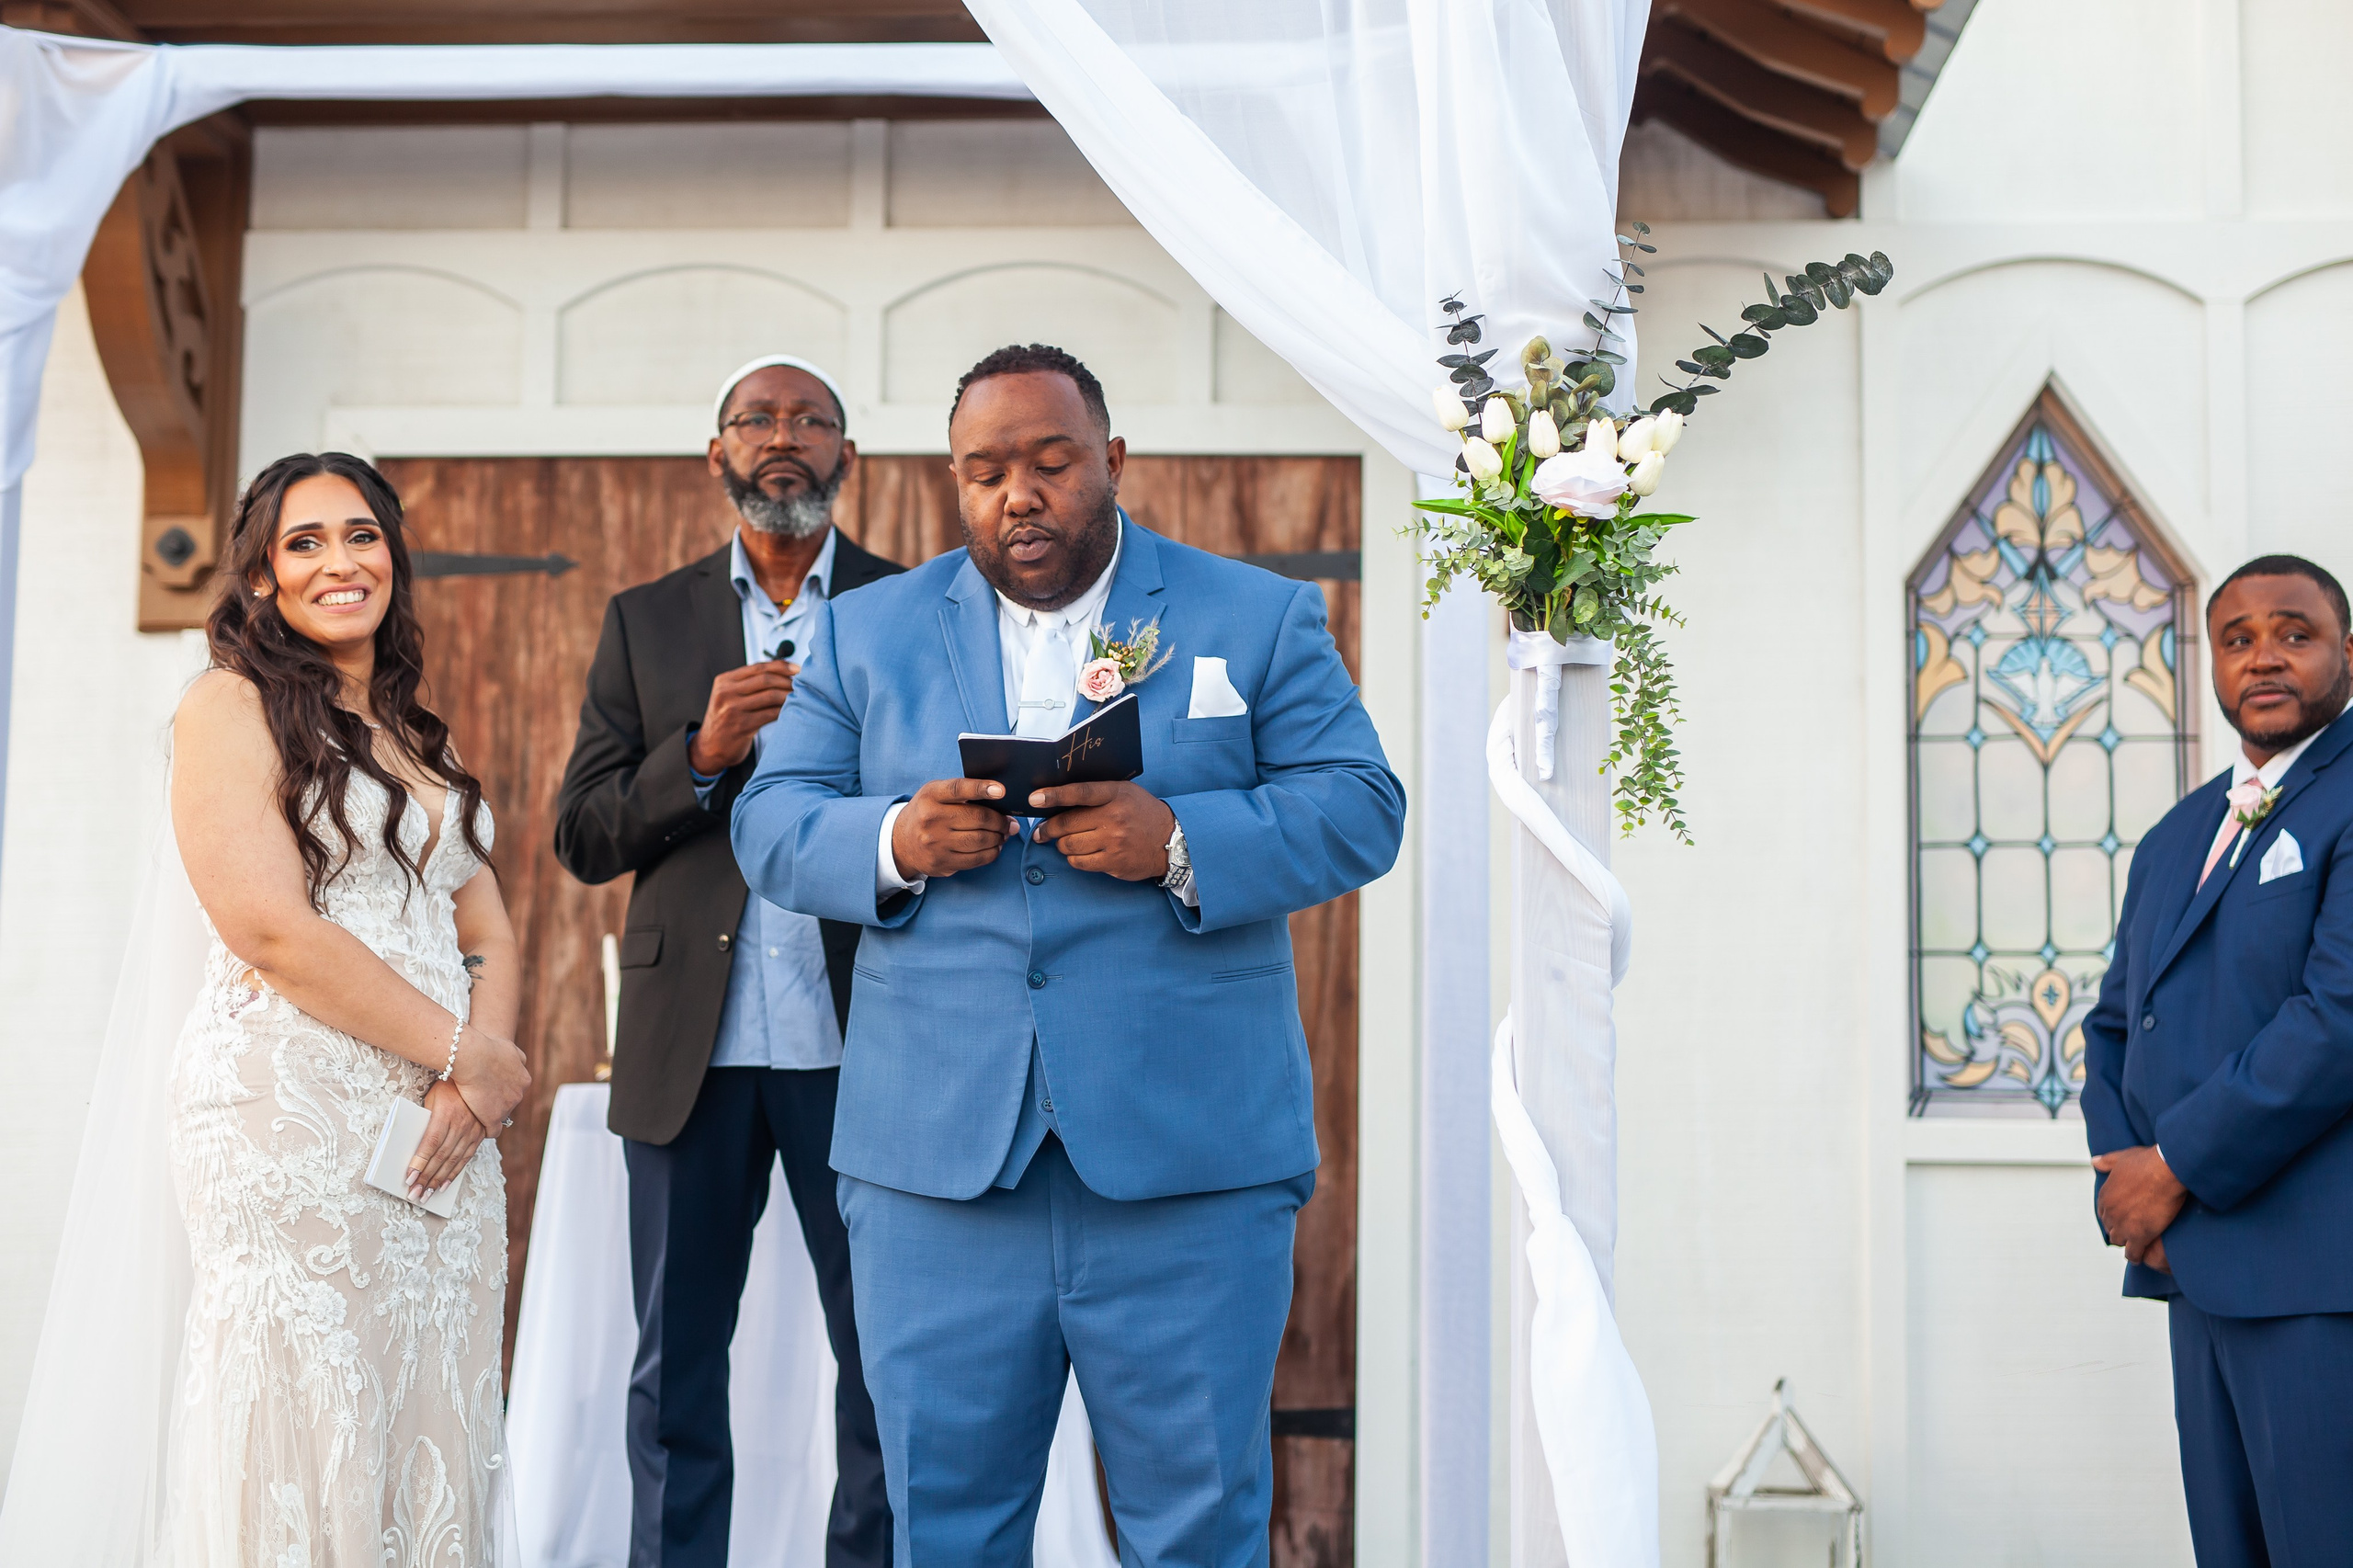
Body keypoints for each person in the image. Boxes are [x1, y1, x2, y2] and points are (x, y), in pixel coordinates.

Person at [731, 342, 1405, 1562]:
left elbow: (1362, 806)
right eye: (985, 471)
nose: (1018, 495)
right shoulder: (867, 632)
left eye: (1049, 462)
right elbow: (770, 823)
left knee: (1197, 1527)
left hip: (1189, 1168)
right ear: (953, 481)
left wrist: (1184, 838)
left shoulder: (1252, 614)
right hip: (938, 1176)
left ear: (1114, 462)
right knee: (949, 1527)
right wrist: (894, 835)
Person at [0, 452, 534, 1564]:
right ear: (260, 580)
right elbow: (270, 929)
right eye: (305, 542)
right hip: (291, 1116)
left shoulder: (420, 736)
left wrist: (474, 1080)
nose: (340, 560)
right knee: (302, 1411)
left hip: (442, 1128)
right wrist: (461, 1051)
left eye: (361, 534)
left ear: (393, 555)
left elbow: (485, 928)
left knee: (432, 1403)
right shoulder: (227, 705)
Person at [553, 357, 901, 1568]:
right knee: (678, 1366)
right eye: (757, 418)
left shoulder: (919, 609)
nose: (783, 437)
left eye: (812, 420)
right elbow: (584, 832)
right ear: (718, 454)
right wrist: (697, 752)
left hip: (869, 1050)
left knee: (887, 1365)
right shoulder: (647, 621)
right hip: (686, 1055)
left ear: (848, 457)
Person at [2083, 552, 2353, 1567]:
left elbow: (2336, 1018)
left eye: (2294, 632)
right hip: (2192, 1265)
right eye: (2236, 638)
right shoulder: (2176, 833)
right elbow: (2114, 1022)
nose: (2263, 656)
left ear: (2348, 655)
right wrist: (2124, 1178)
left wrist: (2174, 1165)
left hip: (2319, 1279)